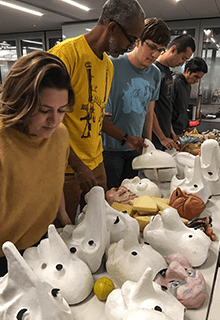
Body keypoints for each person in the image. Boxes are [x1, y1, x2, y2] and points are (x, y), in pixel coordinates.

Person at [49, 0, 145, 223]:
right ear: (112, 28)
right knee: (66, 232)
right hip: (66, 170)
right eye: (131, 40)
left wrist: (125, 138)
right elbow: (50, 123)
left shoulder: (108, 66)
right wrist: (77, 165)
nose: (130, 48)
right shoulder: (65, 56)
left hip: (96, 162)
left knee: (98, 223)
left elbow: (96, 116)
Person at [0, 51, 75, 275]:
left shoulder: (60, 135)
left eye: (61, 110)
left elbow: (54, 179)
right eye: (44, 111)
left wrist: (63, 217)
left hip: (39, 245)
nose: (54, 121)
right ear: (21, 102)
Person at [102, 17, 170, 189]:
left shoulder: (155, 74)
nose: (155, 54)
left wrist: (147, 142)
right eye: (152, 47)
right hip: (109, 148)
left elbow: (149, 110)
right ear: (138, 40)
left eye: (160, 50)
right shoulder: (113, 64)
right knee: (110, 198)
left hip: (135, 148)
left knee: (132, 196)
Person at [151, 34, 196, 150]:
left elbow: (166, 107)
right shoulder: (154, 71)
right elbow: (150, 109)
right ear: (174, 49)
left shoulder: (168, 73)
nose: (182, 63)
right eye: (183, 58)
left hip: (165, 136)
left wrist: (171, 133)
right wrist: (162, 137)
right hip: (153, 138)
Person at [171, 57, 208, 140]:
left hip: (180, 130)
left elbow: (183, 108)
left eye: (199, 78)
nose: (196, 81)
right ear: (187, 71)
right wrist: (170, 132)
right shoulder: (175, 82)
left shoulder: (187, 85)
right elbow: (167, 110)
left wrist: (187, 126)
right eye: (195, 77)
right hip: (172, 131)